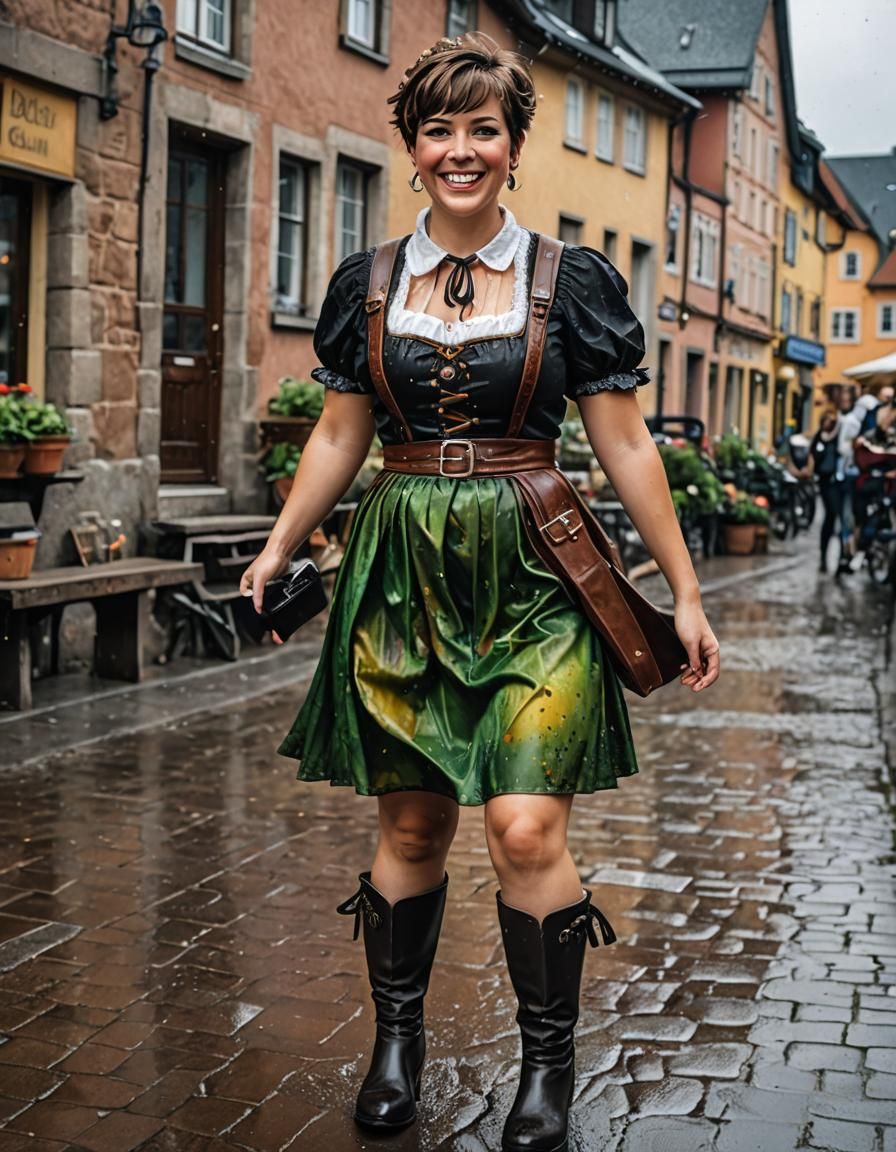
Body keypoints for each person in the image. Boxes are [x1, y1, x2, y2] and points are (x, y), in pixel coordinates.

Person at [240, 33, 719, 1151]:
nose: (460, 149)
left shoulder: (571, 281)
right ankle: (394, 1046)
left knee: (519, 823)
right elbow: (341, 433)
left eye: (482, 129)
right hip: (400, 567)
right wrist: (276, 548)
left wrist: (683, 592)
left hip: (536, 565)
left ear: (510, 146)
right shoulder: (367, 283)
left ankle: (543, 1071)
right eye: (439, 130)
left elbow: (629, 446)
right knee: (409, 822)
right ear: (410, 148)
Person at [808, 409, 841, 572]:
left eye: (831, 420)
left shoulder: (838, 437)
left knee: (837, 517)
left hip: (838, 480)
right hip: (825, 481)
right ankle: (824, 557)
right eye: (826, 420)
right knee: (830, 515)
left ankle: (842, 557)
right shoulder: (818, 437)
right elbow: (812, 456)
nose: (828, 423)